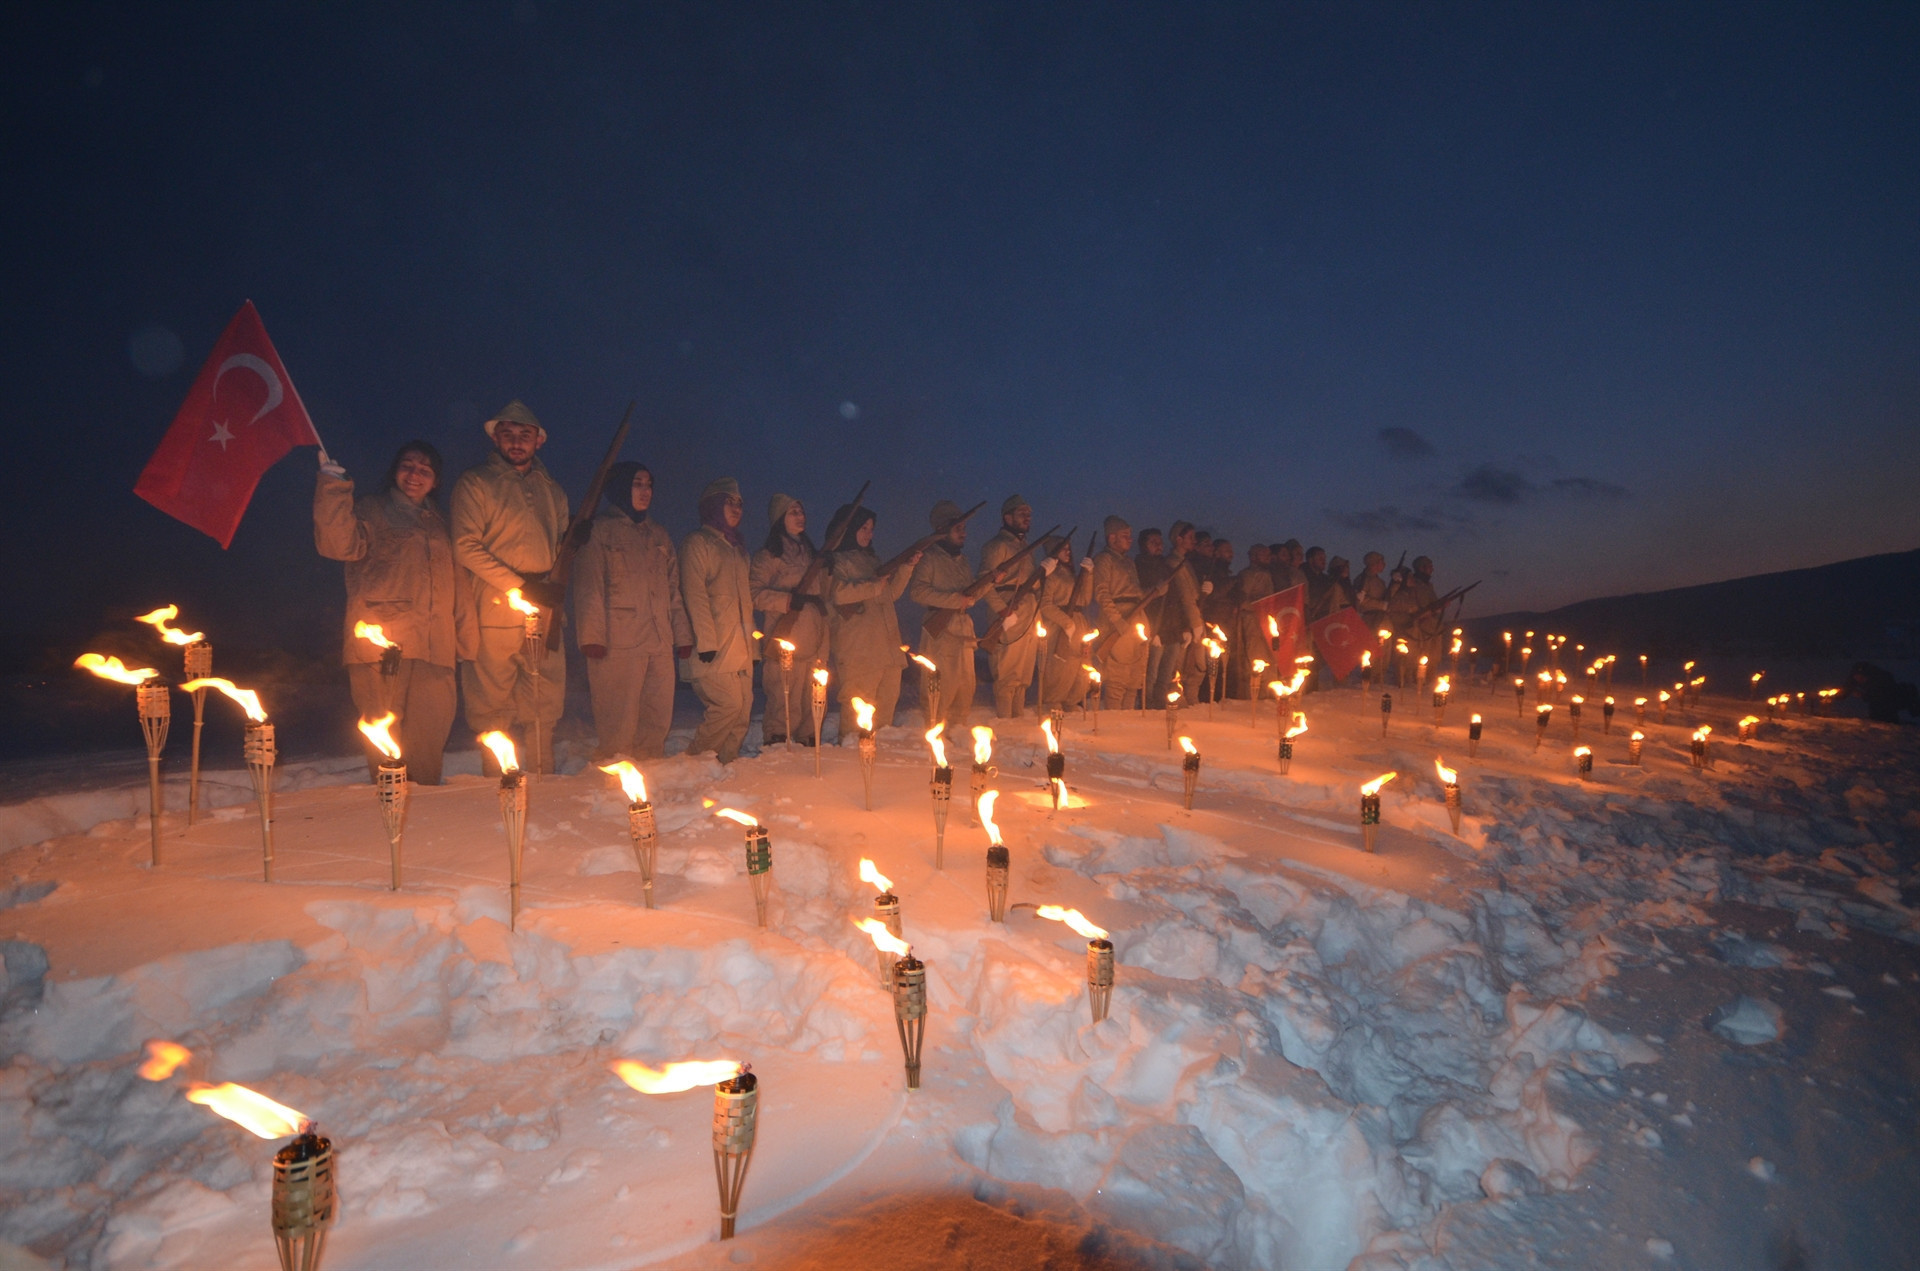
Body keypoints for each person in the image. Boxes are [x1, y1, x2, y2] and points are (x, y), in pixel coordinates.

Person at [314, 441, 474, 785]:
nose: (415, 474)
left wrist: (465, 641)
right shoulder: (373, 509)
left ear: (435, 482)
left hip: (435, 649)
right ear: (395, 470)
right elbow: (338, 544)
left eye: (425, 470)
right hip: (383, 647)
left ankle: (427, 815)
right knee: (385, 737)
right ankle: (390, 812)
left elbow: (458, 583)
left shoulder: (441, 523)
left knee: (430, 736)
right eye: (408, 465)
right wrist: (331, 487)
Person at [451, 400, 569, 773]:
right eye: (509, 434)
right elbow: (465, 546)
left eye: (525, 435)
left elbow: (560, 548)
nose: (517, 442)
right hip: (493, 605)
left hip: (545, 607)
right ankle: (499, 788)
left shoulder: (554, 491)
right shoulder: (476, 483)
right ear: (496, 438)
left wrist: (571, 547)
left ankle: (543, 781)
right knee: (491, 706)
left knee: (544, 702)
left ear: (539, 441)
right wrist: (520, 585)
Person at [573, 462, 691, 761]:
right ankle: (613, 787)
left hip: (659, 641)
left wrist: (682, 634)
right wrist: (591, 636)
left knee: (656, 718)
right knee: (618, 722)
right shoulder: (600, 530)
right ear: (621, 488)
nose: (645, 491)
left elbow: (673, 590)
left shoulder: (659, 535)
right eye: (637, 484)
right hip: (618, 643)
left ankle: (649, 779)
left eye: (649, 485)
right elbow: (590, 586)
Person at [824, 503, 919, 736]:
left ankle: (878, 767)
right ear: (848, 528)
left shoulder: (872, 560)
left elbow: (889, 595)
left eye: (871, 528)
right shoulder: (833, 561)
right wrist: (873, 586)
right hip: (859, 652)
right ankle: (849, 767)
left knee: (884, 720)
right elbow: (838, 593)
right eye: (863, 527)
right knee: (856, 720)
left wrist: (907, 568)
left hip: (887, 650)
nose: (869, 533)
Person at [679, 478, 757, 763]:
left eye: (740, 503)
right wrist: (705, 642)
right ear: (713, 505)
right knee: (727, 706)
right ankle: (694, 764)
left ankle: (724, 767)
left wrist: (754, 650)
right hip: (712, 650)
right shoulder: (698, 543)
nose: (736, 508)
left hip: (740, 650)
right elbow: (694, 594)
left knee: (742, 711)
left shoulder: (737, 549)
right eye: (729, 501)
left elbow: (745, 605)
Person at [749, 494, 827, 745]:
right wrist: (785, 601)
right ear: (779, 518)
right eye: (793, 512)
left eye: (801, 511)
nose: (800, 517)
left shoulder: (812, 554)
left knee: (810, 697)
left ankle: (807, 738)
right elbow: (753, 594)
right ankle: (777, 741)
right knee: (783, 697)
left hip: (814, 633)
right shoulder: (768, 556)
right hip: (785, 635)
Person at [909, 500, 981, 729]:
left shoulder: (963, 560)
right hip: (940, 630)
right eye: (958, 528)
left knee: (965, 684)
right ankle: (935, 732)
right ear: (943, 529)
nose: (963, 533)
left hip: (963, 628)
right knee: (941, 686)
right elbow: (917, 592)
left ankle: (958, 730)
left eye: (964, 528)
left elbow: (970, 595)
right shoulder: (929, 558)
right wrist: (954, 600)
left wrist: (991, 581)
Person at [979, 495, 1041, 718]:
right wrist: (1001, 610)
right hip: (1008, 610)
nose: (1027, 517)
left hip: (1027, 612)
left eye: (1029, 514)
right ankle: (1006, 726)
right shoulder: (997, 546)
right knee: (1008, 674)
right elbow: (984, 582)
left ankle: (1018, 722)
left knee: (1023, 676)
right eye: (1021, 513)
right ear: (1007, 517)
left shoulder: (1026, 547)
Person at [1091, 516, 1148, 710]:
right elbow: (1101, 592)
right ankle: (1115, 725)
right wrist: (1117, 620)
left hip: (1135, 618)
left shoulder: (1129, 562)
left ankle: (1128, 728)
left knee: (1133, 679)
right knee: (1117, 679)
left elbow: (1135, 592)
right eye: (1125, 536)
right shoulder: (1103, 560)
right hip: (1118, 621)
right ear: (1112, 538)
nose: (1130, 540)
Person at [1036, 535, 1096, 712]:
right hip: (1059, 625)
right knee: (1060, 668)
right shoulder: (1050, 576)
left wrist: (1088, 575)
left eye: (1069, 548)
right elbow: (1045, 604)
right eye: (1063, 548)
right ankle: (1054, 701)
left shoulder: (1071, 575)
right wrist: (1066, 623)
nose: (1068, 552)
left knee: (1080, 667)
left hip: (1077, 623)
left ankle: (1073, 700)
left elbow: (1084, 599)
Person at [1148, 521, 1204, 706]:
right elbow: (1184, 597)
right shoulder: (1173, 562)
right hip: (1170, 625)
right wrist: (1194, 624)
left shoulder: (1183, 562)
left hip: (1179, 623)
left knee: (1178, 668)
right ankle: (1159, 703)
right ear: (1179, 539)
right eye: (1190, 537)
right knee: (1168, 670)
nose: (1194, 541)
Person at [1356, 552, 1390, 633]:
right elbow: (1360, 601)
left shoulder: (1380, 581)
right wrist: (1381, 605)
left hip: (1380, 619)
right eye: (1381, 561)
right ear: (1374, 563)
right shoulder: (1363, 580)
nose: (1384, 564)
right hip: (1368, 620)